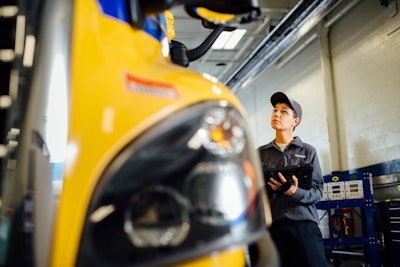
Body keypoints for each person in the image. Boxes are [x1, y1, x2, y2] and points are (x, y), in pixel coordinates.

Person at [257, 92, 327, 267]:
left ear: (295, 121)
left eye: (284, 112)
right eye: (274, 110)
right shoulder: (261, 153)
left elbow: (317, 191)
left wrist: (295, 192)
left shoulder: (308, 152)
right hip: (273, 228)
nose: (276, 114)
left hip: (303, 226)